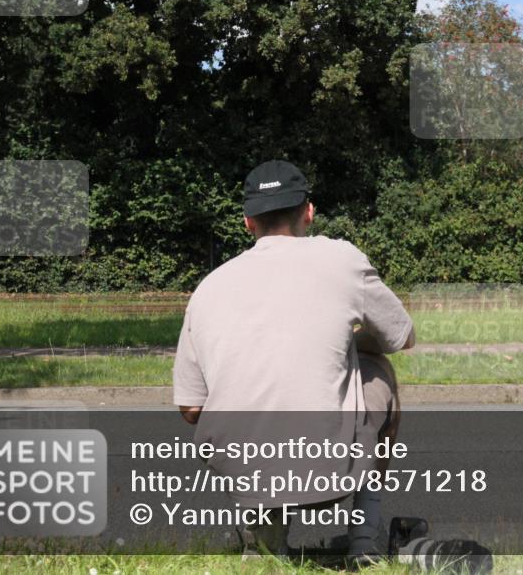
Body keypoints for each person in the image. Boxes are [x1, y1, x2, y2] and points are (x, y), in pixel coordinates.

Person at [173, 160, 415, 561]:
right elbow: (402, 336)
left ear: (248, 222)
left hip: (246, 475)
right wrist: (352, 346)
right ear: (309, 212)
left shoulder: (207, 289)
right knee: (379, 373)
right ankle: (364, 542)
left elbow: (191, 408)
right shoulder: (341, 260)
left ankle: (264, 539)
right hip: (329, 474)